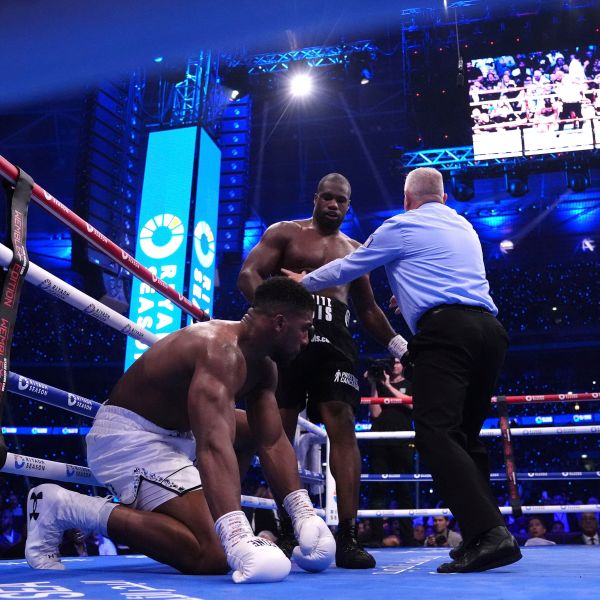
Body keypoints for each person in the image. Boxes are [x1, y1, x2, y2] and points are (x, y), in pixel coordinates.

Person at [284, 167, 522, 573]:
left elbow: (347, 267)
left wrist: (300, 284)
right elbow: (443, 276)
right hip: (489, 334)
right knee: (465, 438)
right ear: (444, 199)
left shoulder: (400, 225)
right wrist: (410, 300)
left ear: (408, 199)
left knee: (435, 434)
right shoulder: (464, 227)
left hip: (446, 334)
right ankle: (488, 534)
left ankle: (489, 532)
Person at [26, 277, 335, 583]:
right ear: (280, 323)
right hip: (129, 439)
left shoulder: (264, 367)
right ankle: (65, 506)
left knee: (253, 428)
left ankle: (217, 509)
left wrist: (303, 514)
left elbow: (272, 439)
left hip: (176, 437)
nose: (307, 340)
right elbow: (213, 445)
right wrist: (236, 534)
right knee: (214, 554)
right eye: (305, 328)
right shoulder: (218, 350)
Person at [238, 173, 408, 569]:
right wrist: (274, 315)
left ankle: (347, 535)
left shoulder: (353, 249)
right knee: (277, 429)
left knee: (342, 423)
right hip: (286, 340)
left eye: (341, 200)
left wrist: (399, 345)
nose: (333, 205)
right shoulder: (285, 233)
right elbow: (248, 274)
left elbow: (367, 309)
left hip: (336, 341)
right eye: (327, 197)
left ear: (349, 205)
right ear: (316, 198)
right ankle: (283, 527)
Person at [365, 357, 416, 546]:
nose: (395, 365)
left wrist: (388, 385)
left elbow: (412, 404)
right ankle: (376, 537)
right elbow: (375, 413)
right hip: (379, 440)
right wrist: (375, 384)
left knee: (404, 489)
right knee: (378, 488)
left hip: (403, 441)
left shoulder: (409, 385)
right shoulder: (379, 385)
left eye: (398, 361)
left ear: (403, 365)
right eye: (391, 362)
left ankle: (408, 538)